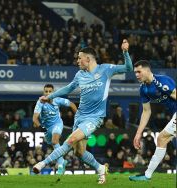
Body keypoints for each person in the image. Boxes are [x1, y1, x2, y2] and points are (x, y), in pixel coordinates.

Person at [33, 39, 133, 184]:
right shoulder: (80, 74)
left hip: (95, 117)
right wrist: (50, 97)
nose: (77, 61)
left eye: (79, 58)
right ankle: (100, 168)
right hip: (80, 117)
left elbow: (128, 68)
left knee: (71, 139)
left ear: (88, 58)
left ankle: (42, 164)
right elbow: (68, 88)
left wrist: (125, 52)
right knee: (78, 152)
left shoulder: (106, 69)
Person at [129, 60, 176, 181]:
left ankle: (147, 175)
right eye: (135, 72)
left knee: (161, 138)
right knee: (161, 139)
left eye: (139, 71)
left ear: (147, 70)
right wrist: (138, 133)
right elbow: (146, 111)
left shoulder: (163, 81)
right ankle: (147, 175)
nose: (137, 75)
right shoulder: (143, 89)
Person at [32, 84, 77, 174]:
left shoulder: (58, 100)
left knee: (54, 141)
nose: (48, 93)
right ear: (43, 92)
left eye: (50, 91)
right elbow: (35, 118)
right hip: (46, 128)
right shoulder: (40, 101)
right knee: (54, 145)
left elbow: (71, 104)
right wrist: (40, 127)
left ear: (53, 92)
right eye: (46, 91)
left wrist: (78, 117)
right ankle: (62, 161)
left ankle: (60, 164)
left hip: (57, 124)